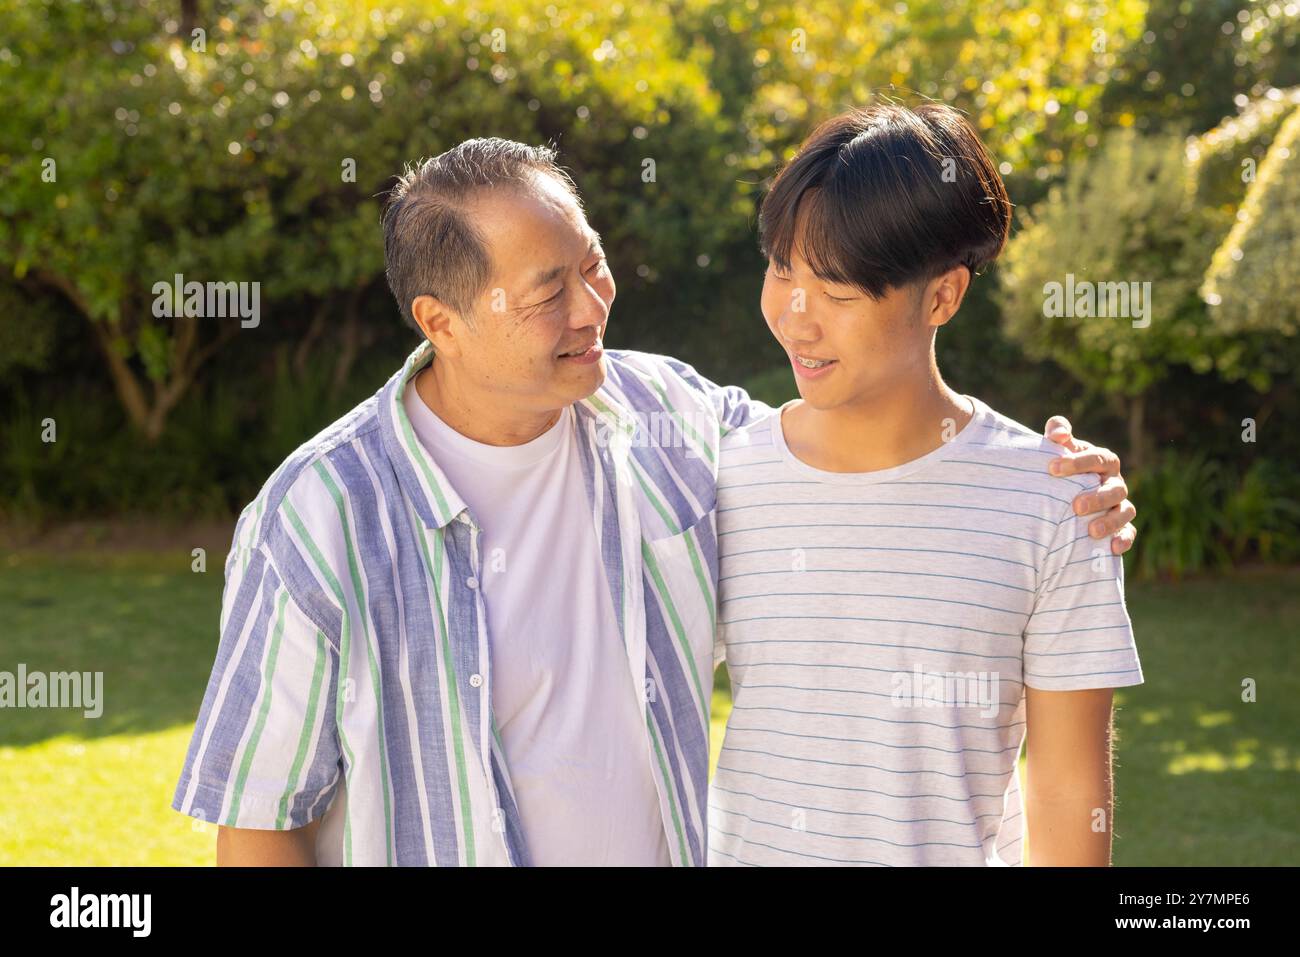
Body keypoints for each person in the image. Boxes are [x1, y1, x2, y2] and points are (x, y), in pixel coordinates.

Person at [171, 137, 1137, 865]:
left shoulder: (673, 420)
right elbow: (261, 817)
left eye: (592, 263)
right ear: (441, 322)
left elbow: (857, 455)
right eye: (549, 292)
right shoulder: (321, 515)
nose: (593, 306)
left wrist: (1062, 489)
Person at [708, 104, 1142, 867]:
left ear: (941, 296)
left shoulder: (1058, 502)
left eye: (838, 294)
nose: (796, 318)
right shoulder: (720, 478)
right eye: (782, 270)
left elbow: (1068, 791)